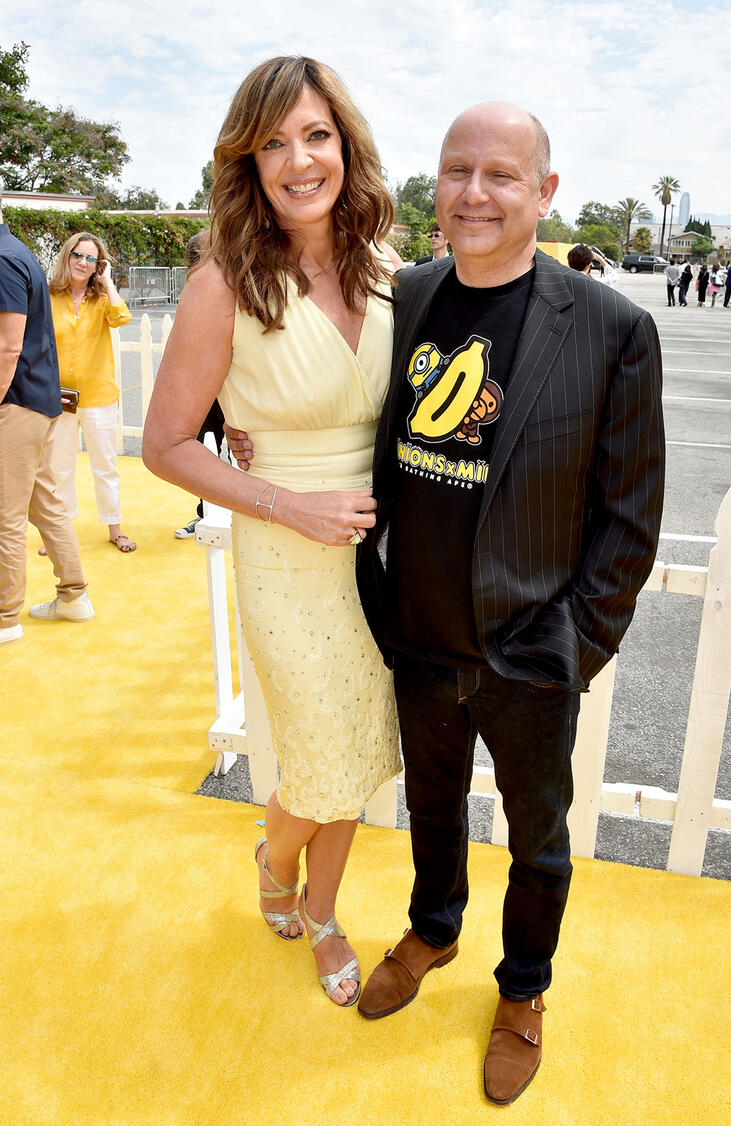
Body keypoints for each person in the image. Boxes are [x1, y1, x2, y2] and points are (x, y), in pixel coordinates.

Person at [352, 102, 664, 1105]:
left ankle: (523, 990)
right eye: (455, 171)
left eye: (500, 174)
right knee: (430, 809)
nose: (474, 193)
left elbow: (628, 515)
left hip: (530, 652)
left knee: (539, 840)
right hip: (418, 636)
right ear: (432, 185)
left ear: (544, 191)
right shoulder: (405, 295)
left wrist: (575, 644)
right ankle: (434, 928)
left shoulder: (610, 326)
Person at [143, 56, 402, 1008]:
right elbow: (165, 444)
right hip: (284, 547)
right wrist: (285, 500)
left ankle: (316, 900)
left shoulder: (386, 267)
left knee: (364, 747)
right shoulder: (226, 282)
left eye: (316, 135)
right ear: (246, 163)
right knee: (325, 749)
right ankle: (279, 866)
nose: (299, 160)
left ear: (346, 142)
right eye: (272, 143)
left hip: (377, 557)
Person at [0, 187, 94, 643]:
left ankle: (4, 617)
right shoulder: (17, 253)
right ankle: (74, 596)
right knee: (44, 505)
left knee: (6, 515)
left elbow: (8, 345)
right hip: (37, 401)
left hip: (15, 404)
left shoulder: (2, 259)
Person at [48, 232, 135, 551]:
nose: (82, 263)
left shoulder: (102, 298)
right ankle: (60, 532)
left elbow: (121, 317)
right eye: (77, 255)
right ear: (67, 256)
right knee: (59, 467)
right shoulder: (49, 295)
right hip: (58, 397)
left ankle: (115, 528)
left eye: (91, 259)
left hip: (99, 396)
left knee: (105, 465)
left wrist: (108, 281)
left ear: (99, 265)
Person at [173, 231, 227, 539]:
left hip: (230, 389)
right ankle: (206, 514)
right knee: (205, 448)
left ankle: (220, 513)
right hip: (205, 390)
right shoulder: (194, 291)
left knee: (231, 452)